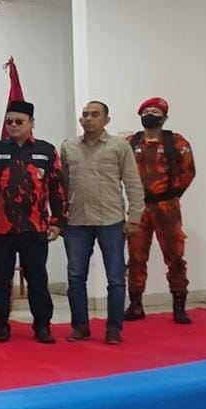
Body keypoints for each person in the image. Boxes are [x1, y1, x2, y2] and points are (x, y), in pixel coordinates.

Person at [61, 101, 145, 345]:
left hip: (111, 220)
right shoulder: (68, 147)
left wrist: (135, 217)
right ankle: (80, 326)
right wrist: (59, 216)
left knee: (116, 278)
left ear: (106, 120)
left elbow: (132, 182)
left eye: (95, 115)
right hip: (77, 221)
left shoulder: (119, 146)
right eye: (85, 115)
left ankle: (114, 328)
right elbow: (62, 186)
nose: (88, 119)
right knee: (76, 277)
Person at [0, 100, 66, 344]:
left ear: (31, 123)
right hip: (0, 228)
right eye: (9, 121)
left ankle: (42, 326)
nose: (13, 125)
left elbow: (57, 188)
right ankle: (1, 325)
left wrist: (57, 221)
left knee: (37, 279)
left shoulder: (46, 151)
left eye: (19, 121)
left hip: (34, 227)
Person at [127, 97, 196, 324]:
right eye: (146, 111)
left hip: (167, 207)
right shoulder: (130, 142)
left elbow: (188, 171)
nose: (150, 115)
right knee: (136, 256)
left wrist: (171, 195)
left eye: (155, 112)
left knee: (175, 256)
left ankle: (179, 306)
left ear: (164, 118)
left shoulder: (176, 142)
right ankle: (135, 305)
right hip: (138, 207)